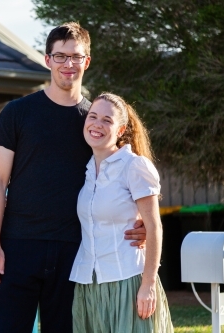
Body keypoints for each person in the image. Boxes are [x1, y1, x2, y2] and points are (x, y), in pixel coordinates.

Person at [0, 22, 147, 333]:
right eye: (60, 56)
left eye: (75, 57)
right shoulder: (17, 113)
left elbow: (125, 172)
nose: (67, 64)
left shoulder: (95, 121)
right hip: (18, 246)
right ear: (47, 60)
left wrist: (142, 221)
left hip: (76, 250)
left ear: (87, 61)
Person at [70, 92, 173, 332]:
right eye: (93, 116)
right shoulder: (86, 170)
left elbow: (154, 227)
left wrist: (147, 285)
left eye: (107, 120)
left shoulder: (134, 165)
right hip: (89, 284)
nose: (97, 124)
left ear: (121, 129)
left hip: (128, 280)